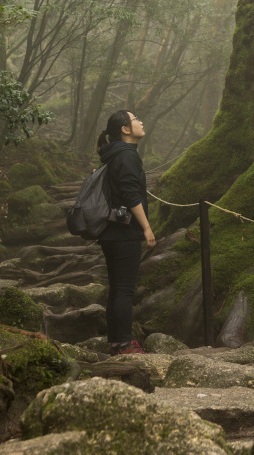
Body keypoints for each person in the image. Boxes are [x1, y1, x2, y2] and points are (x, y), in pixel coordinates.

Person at [96, 109, 156, 355]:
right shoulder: (127, 156)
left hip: (110, 230)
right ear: (125, 129)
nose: (141, 122)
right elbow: (131, 195)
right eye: (135, 119)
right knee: (124, 290)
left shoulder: (114, 155)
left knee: (117, 288)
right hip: (124, 231)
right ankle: (124, 344)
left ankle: (116, 342)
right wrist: (146, 227)